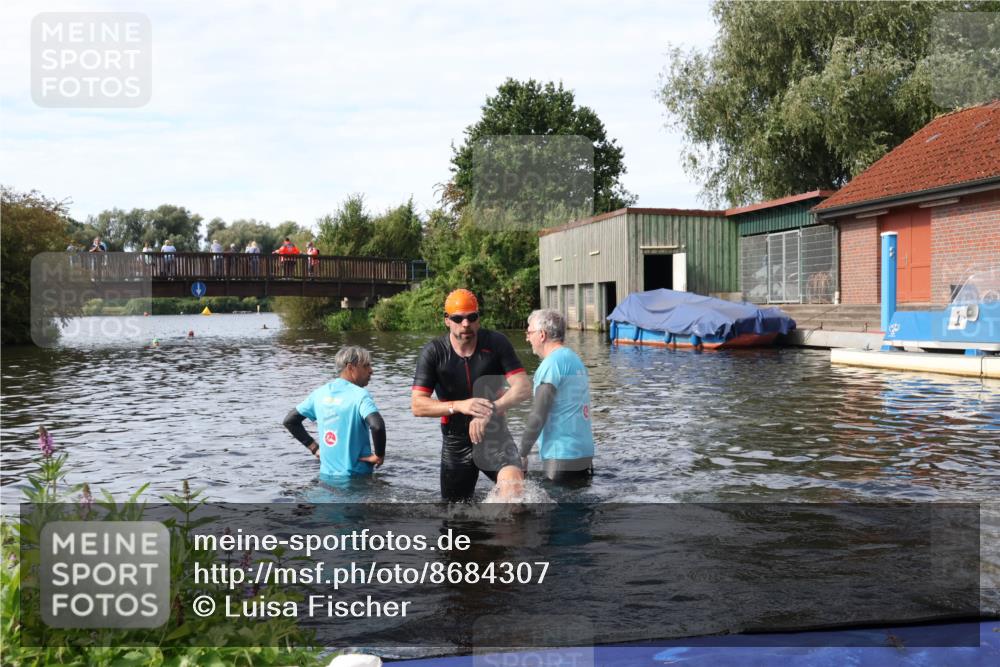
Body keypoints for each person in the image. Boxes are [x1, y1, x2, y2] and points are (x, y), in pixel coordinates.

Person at [411, 289, 530, 501]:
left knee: (514, 493)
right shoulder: (434, 352)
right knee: (456, 515)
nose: (465, 324)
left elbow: (523, 387)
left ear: (478, 318)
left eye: (471, 317)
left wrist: (489, 411)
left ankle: (509, 531)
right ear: (447, 320)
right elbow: (418, 405)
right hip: (456, 441)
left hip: (495, 435)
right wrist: (459, 405)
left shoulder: (496, 343)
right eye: (458, 318)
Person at [283, 346, 386, 478]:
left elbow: (290, 421)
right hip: (357, 478)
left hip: (326, 477)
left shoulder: (319, 394)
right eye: (366, 366)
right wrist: (379, 455)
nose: (371, 371)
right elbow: (377, 426)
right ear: (350, 367)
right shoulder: (360, 395)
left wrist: (314, 448)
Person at [519, 309, 594, 483]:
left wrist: (521, 453)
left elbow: (538, 414)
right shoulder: (575, 360)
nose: (527, 338)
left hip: (561, 457)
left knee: (557, 509)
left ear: (542, 335)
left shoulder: (551, 364)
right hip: (584, 453)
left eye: (529, 333)